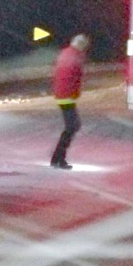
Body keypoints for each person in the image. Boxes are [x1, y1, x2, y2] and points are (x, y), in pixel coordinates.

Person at [50, 34, 90, 169]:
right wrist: (74, 92)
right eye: (84, 46)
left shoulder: (66, 53)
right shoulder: (75, 56)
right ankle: (58, 159)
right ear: (81, 45)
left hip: (62, 94)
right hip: (66, 95)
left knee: (72, 126)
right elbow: (75, 75)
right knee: (72, 126)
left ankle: (57, 158)